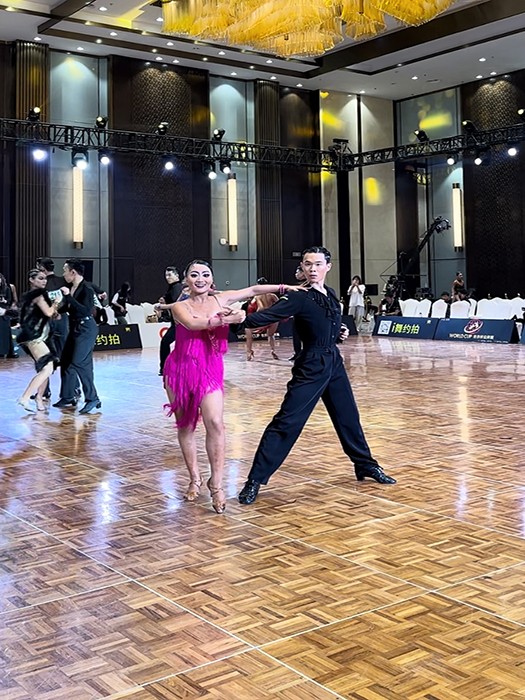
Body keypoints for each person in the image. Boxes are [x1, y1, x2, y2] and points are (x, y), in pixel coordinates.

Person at [238, 246, 396, 506]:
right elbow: (267, 316)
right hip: (311, 365)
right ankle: (255, 480)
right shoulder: (298, 295)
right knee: (287, 421)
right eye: (308, 264)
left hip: (333, 361)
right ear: (302, 266)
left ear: (328, 266)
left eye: (318, 264)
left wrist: (339, 332)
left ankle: (365, 465)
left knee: (348, 417)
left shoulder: (330, 294)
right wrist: (239, 319)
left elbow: (328, 324)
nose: (312, 269)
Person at [160, 259, 296, 514]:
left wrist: (285, 287)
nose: (200, 279)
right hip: (180, 370)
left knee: (215, 422)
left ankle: (217, 484)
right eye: (194, 275)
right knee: (186, 425)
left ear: (212, 279)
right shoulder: (180, 306)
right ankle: (194, 477)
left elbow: (253, 290)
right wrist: (231, 319)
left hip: (210, 370)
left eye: (205, 274)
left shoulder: (222, 299)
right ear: (186, 280)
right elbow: (194, 324)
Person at [53, 259, 101, 415]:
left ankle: (92, 398)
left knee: (79, 362)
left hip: (86, 328)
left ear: (73, 272)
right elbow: (70, 308)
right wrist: (57, 310)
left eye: (65, 270)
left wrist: (68, 297)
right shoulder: (71, 288)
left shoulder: (86, 289)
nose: (63, 274)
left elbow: (85, 310)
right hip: (74, 327)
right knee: (66, 361)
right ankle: (68, 396)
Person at [16, 269, 61, 411]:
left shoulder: (33, 296)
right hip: (34, 337)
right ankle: (25, 397)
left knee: (45, 368)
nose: (44, 281)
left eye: (45, 278)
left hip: (42, 336)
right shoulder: (39, 295)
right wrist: (56, 302)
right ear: (31, 280)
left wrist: (54, 310)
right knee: (47, 368)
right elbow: (49, 312)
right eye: (40, 278)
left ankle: (39, 398)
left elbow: (52, 315)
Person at [156, 266, 183, 375]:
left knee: (165, 342)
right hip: (177, 322)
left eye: (169, 275)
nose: (167, 277)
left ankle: (165, 368)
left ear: (176, 275)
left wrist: (162, 306)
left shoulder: (176, 288)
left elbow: (177, 305)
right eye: (166, 275)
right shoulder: (173, 288)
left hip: (179, 323)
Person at [245, 277, 280, 361]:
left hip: (263, 317)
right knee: (270, 335)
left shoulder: (257, 296)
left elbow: (259, 307)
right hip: (273, 318)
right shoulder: (272, 295)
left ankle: (249, 351)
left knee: (248, 330)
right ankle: (273, 350)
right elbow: (280, 304)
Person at [289, 266, 308, 362]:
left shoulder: (309, 285)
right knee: (296, 335)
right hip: (297, 314)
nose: (296, 274)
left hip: (306, 314)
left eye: (298, 272)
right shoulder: (299, 285)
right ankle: (297, 353)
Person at [0, 272, 18, 358]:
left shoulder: (7, 288)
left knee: (6, 333)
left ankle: (9, 352)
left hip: (4, 312)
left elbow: (10, 301)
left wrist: (4, 301)